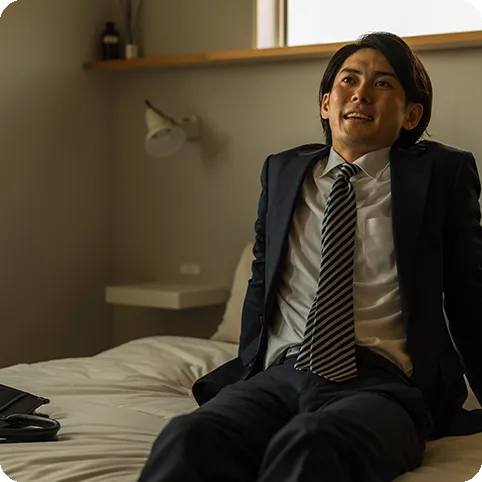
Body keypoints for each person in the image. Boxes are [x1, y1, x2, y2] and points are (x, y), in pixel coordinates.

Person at [138, 31, 482, 482]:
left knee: (312, 444)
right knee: (188, 437)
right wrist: (250, 368)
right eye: (348, 80)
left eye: (382, 83)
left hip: (380, 383)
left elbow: (469, 294)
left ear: (411, 115)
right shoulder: (282, 171)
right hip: (281, 374)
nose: (360, 93)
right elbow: (261, 281)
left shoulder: (442, 174)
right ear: (325, 104)